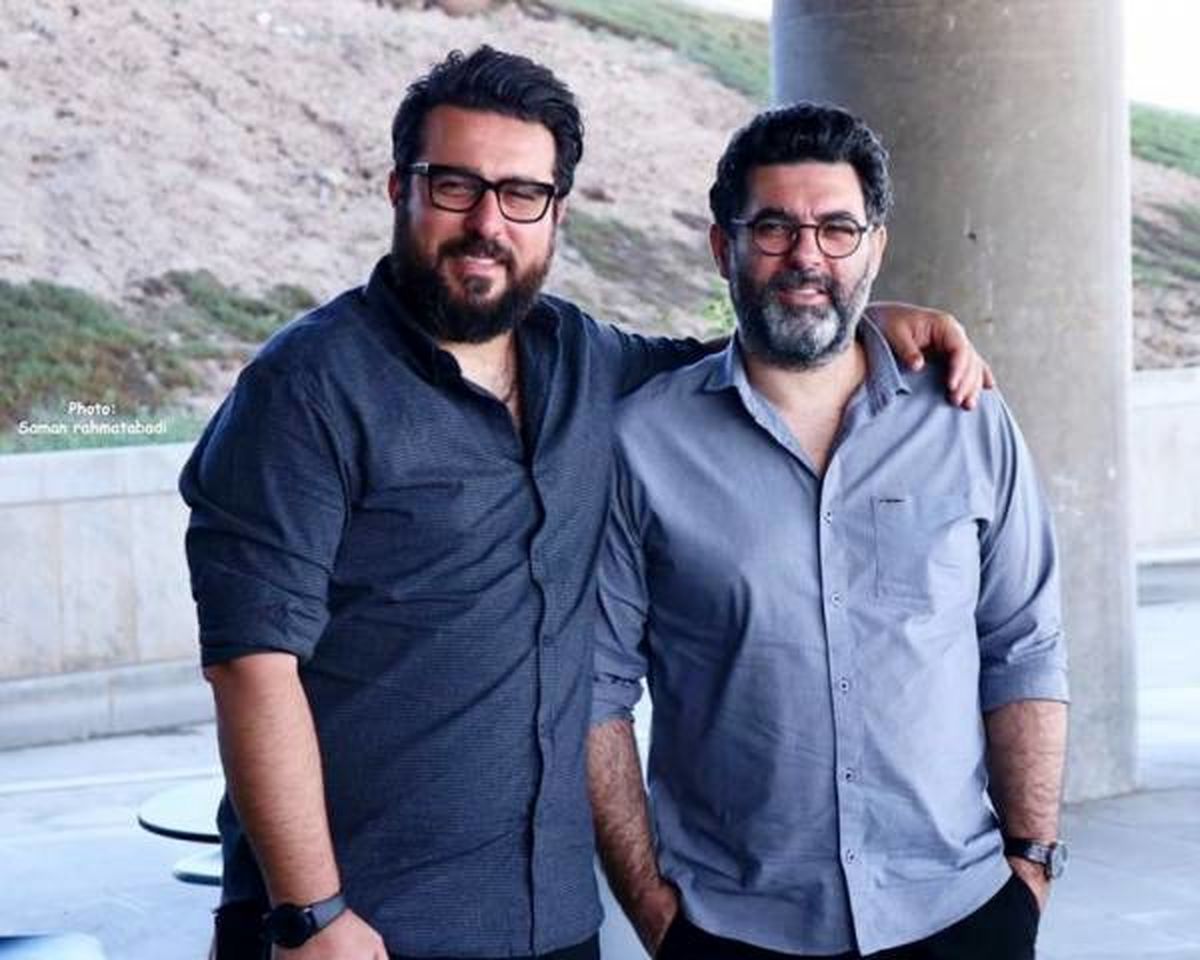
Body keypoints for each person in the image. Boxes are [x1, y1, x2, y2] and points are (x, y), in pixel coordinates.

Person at [181, 48, 989, 960]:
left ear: (557, 211)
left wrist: (867, 325)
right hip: (358, 925)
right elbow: (251, 666)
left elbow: (750, 359)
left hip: (550, 920)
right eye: (455, 186)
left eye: (522, 193)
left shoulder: (583, 359)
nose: (488, 222)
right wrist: (310, 912)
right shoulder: (306, 388)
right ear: (400, 189)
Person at [588, 102, 1068, 960]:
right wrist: (654, 911)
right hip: (732, 928)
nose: (807, 256)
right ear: (723, 247)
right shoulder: (642, 444)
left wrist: (1030, 865)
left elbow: (1023, 644)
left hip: (960, 912)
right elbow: (597, 689)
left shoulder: (967, 419)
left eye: (838, 229)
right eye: (774, 228)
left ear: (874, 247)